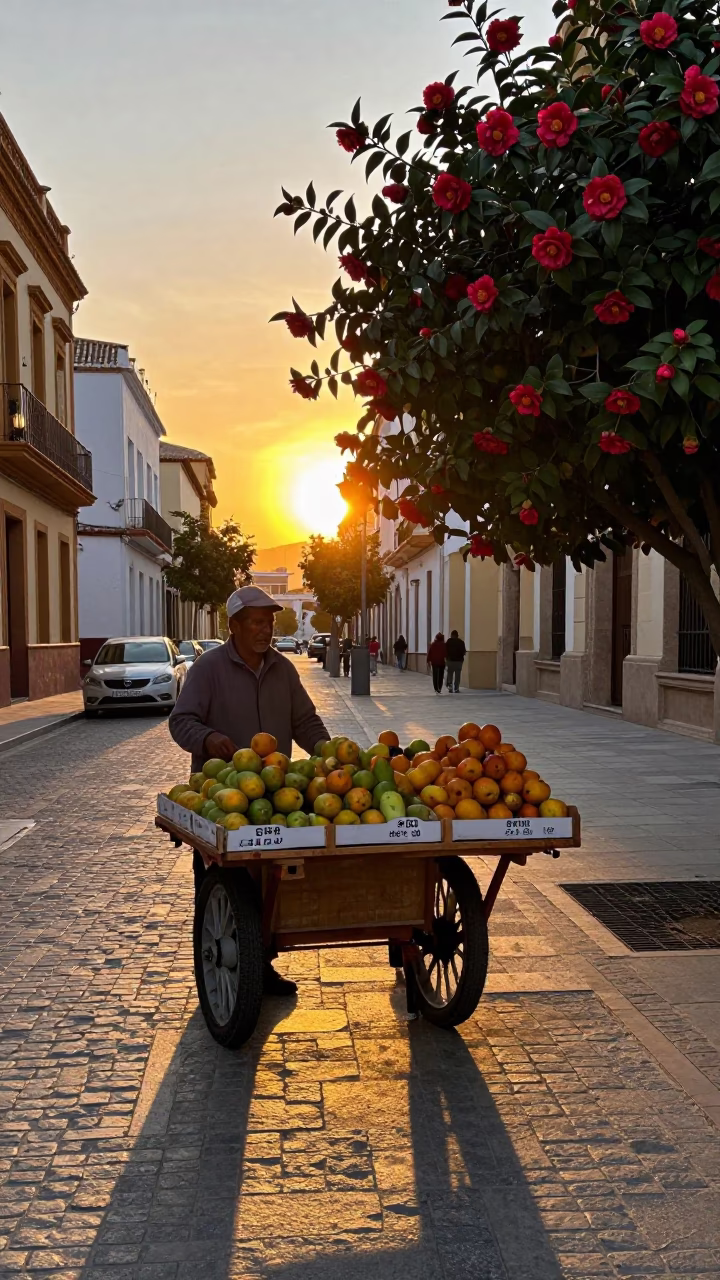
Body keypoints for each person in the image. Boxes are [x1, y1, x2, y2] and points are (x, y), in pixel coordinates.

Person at [169, 585, 330, 995]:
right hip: (222, 800)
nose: (265, 631)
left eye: (270, 622)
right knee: (219, 887)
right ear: (234, 626)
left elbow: (306, 722)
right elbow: (181, 720)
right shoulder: (208, 669)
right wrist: (207, 740)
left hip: (272, 797)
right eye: (256, 622)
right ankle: (219, 967)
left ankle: (261, 964)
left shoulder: (283, 669)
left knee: (270, 884)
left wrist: (330, 756)